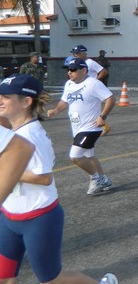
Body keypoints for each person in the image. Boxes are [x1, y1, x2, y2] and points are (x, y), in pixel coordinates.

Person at [0, 75, 119, 284]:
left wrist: (7, 171)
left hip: (38, 218)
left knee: (49, 282)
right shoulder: (11, 130)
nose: (0, 100)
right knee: (3, 279)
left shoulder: (32, 136)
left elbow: (44, 178)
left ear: (26, 102)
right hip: (8, 217)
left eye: (6, 97)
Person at [46, 59, 115, 195]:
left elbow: (110, 98)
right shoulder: (69, 84)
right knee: (89, 156)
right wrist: (55, 110)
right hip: (77, 127)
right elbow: (65, 101)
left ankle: (95, 178)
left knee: (75, 156)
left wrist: (103, 116)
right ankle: (105, 180)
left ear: (83, 70)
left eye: (73, 70)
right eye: (68, 70)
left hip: (91, 128)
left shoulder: (93, 84)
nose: (69, 72)